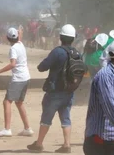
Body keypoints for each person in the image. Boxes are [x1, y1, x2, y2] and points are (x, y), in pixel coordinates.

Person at [27, 24, 77, 153]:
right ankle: (66, 144)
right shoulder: (76, 53)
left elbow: (42, 67)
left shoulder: (58, 51)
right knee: (65, 117)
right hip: (69, 91)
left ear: (61, 37)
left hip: (55, 91)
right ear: (73, 38)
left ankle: (39, 144)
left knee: (46, 117)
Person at [0, 27, 33, 137]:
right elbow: (20, 37)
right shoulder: (21, 44)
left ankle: (7, 129)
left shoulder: (13, 48)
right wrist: (20, 31)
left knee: (7, 101)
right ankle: (27, 128)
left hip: (18, 78)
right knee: (19, 102)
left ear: (7, 38)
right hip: (26, 77)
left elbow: (13, 64)